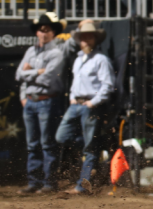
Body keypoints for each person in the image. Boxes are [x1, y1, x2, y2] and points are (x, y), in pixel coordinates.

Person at [56, 22, 115, 195]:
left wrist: (93, 102)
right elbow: (76, 83)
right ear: (79, 40)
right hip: (78, 104)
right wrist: (73, 97)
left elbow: (108, 85)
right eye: (83, 37)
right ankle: (93, 156)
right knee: (61, 137)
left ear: (95, 39)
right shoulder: (78, 59)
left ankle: (82, 185)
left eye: (89, 37)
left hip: (90, 105)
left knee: (88, 148)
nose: (86, 41)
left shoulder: (101, 60)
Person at [16, 13, 68, 195]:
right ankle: (35, 182)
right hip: (31, 101)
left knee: (46, 143)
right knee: (33, 144)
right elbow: (18, 75)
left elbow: (48, 79)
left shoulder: (57, 53)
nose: (43, 33)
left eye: (47, 30)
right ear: (37, 32)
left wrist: (29, 73)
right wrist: (38, 72)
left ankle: (49, 182)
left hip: (47, 100)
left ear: (53, 33)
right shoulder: (31, 51)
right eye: (41, 30)